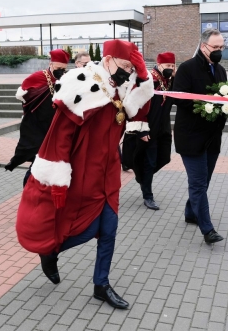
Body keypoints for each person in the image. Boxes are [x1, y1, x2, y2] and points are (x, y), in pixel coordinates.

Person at [16, 40, 153, 309]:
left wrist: (144, 76)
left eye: (131, 68)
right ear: (110, 60)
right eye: (126, 65)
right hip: (81, 173)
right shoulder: (82, 83)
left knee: (110, 229)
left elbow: (141, 109)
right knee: (87, 227)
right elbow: (59, 136)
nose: (128, 72)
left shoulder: (121, 87)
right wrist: (56, 179)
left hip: (109, 171)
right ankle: (50, 251)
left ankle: (101, 285)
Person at [172, 29, 227, 244]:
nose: (219, 51)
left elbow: (225, 97)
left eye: (222, 47)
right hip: (191, 137)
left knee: (204, 181)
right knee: (197, 183)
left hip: (213, 137)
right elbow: (179, 98)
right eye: (215, 48)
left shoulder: (221, 70)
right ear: (203, 47)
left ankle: (190, 212)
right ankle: (207, 229)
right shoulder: (187, 68)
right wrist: (208, 103)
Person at [5, 49, 70, 186]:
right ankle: (28, 184)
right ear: (51, 64)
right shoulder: (39, 76)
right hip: (36, 124)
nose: (61, 71)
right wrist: (31, 100)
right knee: (37, 156)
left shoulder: (65, 78)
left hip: (53, 124)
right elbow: (20, 94)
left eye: (64, 69)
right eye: (58, 68)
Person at [122, 51, 176, 210]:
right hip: (149, 129)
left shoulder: (168, 80)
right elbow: (136, 105)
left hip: (163, 129)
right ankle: (148, 195)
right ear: (159, 65)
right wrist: (142, 130)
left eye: (173, 66)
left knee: (164, 158)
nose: (170, 68)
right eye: (167, 66)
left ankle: (143, 177)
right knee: (149, 162)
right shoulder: (149, 80)